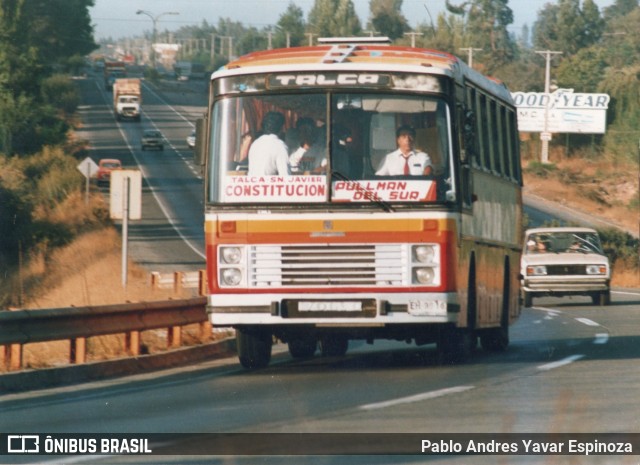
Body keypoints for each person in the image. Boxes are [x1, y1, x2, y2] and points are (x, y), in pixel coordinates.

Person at [248, 111, 289, 176]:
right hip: (268, 185)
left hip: (252, 185)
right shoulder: (280, 146)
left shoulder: (255, 143)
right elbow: (285, 176)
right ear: (281, 128)